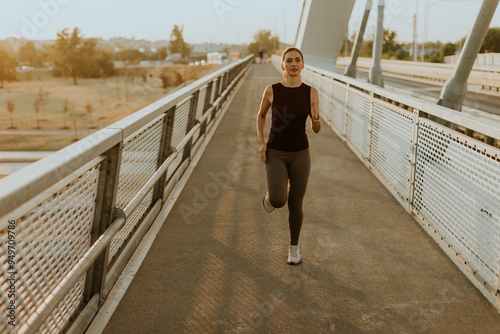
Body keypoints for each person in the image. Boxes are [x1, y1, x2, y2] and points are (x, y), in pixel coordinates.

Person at [256, 47, 321, 265]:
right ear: (282, 65)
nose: (293, 64)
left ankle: (294, 248)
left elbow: (316, 128)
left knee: (296, 202)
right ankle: (270, 197)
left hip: (301, 153)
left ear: (303, 65)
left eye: (297, 60)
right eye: (289, 60)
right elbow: (261, 115)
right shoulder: (272, 90)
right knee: (279, 200)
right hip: (276, 152)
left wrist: (316, 116)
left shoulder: (311, 92)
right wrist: (261, 143)